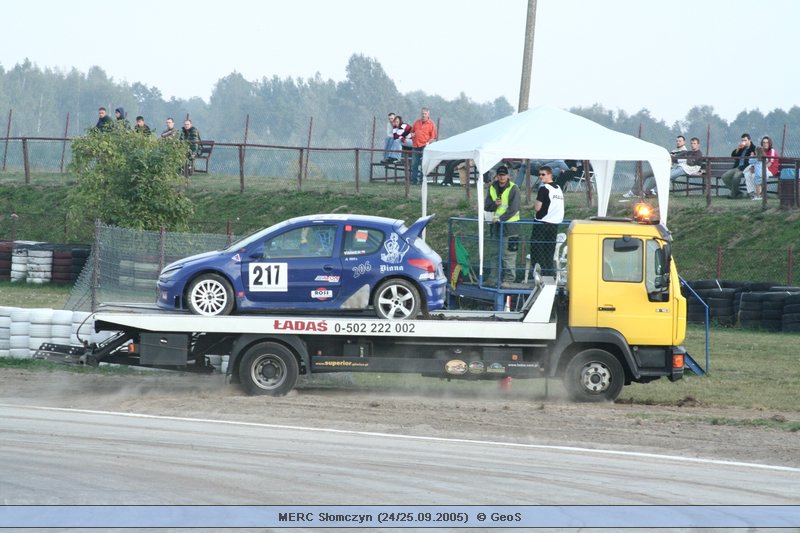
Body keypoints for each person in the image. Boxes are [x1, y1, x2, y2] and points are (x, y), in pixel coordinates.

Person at [624, 135, 701, 197]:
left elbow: (685, 162)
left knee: (656, 178)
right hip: (664, 166)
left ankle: (646, 192)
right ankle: (635, 191)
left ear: (684, 142)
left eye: (680, 141)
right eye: (677, 141)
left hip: (670, 168)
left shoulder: (685, 151)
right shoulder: (676, 151)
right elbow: (670, 157)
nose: (678, 142)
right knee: (644, 174)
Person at [483, 165, 520, 284]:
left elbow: (513, 209)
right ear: (497, 176)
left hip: (510, 227)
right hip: (495, 227)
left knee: (508, 256)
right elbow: (487, 206)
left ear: (508, 176)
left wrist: (500, 219)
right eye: (500, 175)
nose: (502, 177)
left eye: (504, 175)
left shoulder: (514, 188)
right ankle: (493, 279)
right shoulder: (492, 188)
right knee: (494, 254)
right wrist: (495, 204)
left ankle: (509, 280)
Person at [530, 166, 565, 277]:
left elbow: (537, 207)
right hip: (554, 223)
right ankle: (549, 273)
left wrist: (533, 206)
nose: (540, 176)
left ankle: (540, 273)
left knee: (537, 248)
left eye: (543, 174)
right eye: (539, 174)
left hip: (542, 222)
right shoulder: (558, 188)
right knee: (549, 250)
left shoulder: (544, 188)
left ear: (550, 175)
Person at [719, 133, 757, 199]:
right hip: (737, 167)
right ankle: (737, 192)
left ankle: (733, 195)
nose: (743, 142)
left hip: (745, 168)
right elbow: (733, 156)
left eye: (745, 140)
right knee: (724, 177)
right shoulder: (742, 148)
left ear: (749, 140)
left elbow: (755, 160)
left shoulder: (753, 148)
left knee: (736, 177)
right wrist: (738, 148)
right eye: (742, 140)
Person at [409, 107, 437, 185]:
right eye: (422, 113)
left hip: (425, 146)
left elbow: (433, 137)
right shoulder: (417, 122)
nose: (423, 115)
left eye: (425, 114)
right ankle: (413, 180)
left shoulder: (431, 124)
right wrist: (412, 134)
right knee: (414, 164)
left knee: (423, 164)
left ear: (428, 114)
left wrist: (428, 143)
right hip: (415, 145)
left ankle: (422, 181)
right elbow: (412, 132)